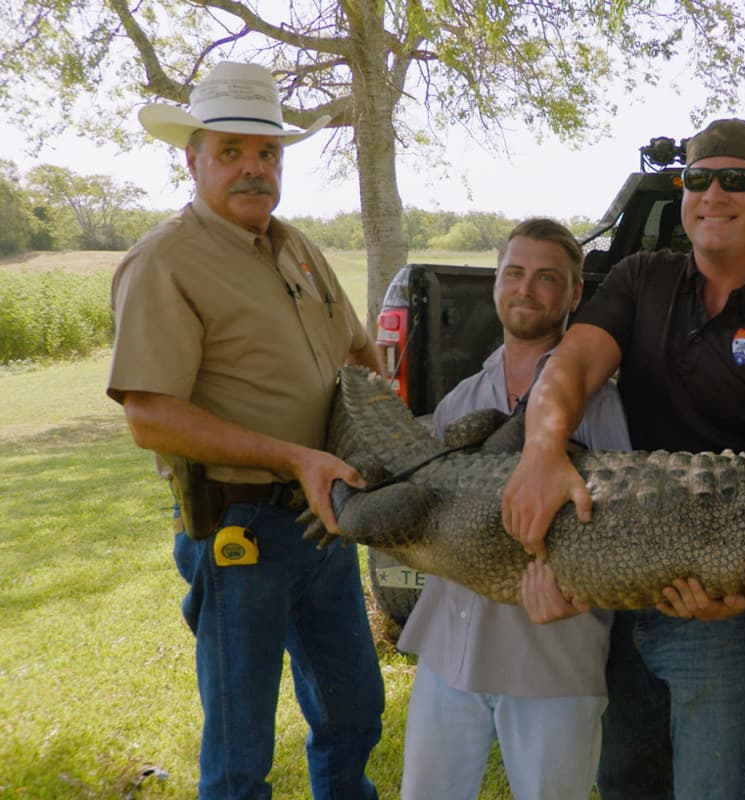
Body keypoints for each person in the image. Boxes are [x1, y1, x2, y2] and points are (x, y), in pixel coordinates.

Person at [502, 119, 745, 799]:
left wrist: (739, 599)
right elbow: (575, 361)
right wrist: (541, 447)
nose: (714, 194)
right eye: (699, 180)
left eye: (737, 180)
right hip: (620, 576)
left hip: (724, 621)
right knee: (625, 782)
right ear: (682, 192)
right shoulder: (642, 278)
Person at [107, 61, 385, 799]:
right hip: (238, 533)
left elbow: (359, 353)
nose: (254, 170)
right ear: (191, 157)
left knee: (355, 714)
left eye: (267, 154)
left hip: (323, 524)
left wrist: (378, 416)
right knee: (239, 754)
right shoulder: (164, 260)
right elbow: (148, 415)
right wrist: (295, 456)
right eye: (230, 152)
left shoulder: (297, 247)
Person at [396, 218, 631, 799]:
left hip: (553, 657)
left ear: (575, 295)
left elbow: (622, 524)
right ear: (496, 284)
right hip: (449, 652)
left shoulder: (600, 404)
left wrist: (578, 594)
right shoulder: (460, 401)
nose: (527, 288)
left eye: (547, 277)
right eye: (515, 273)